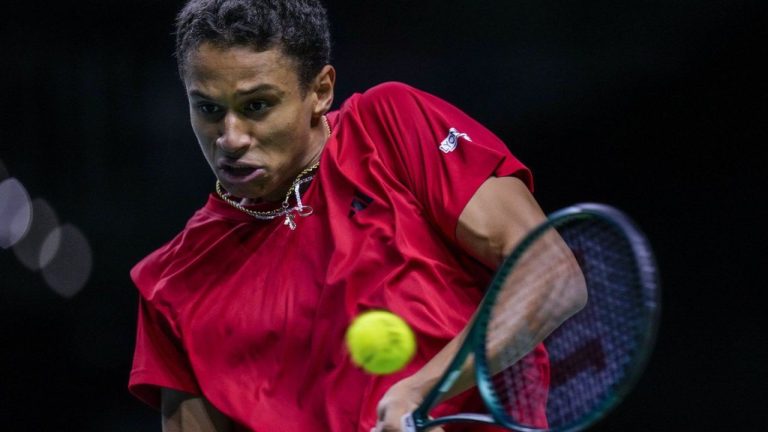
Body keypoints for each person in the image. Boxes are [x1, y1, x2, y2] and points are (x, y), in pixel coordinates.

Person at [128, 1, 586, 431]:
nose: (230, 138)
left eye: (257, 106)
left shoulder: (389, 129)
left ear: (320, 91)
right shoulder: (172, 283)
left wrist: (421, 391)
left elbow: (551, 274)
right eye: (209, 109)